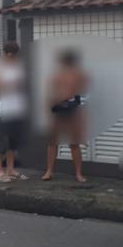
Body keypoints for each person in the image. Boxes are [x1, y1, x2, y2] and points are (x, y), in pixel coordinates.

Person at [42, 50, 89, 183]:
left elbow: (77, 92)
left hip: (72, 110)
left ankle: (78, 173)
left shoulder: (78, 75)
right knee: (52, 142)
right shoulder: (56, 76)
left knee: (74, 143)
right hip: (58, 110)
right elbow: (50, 93)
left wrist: (63, 98)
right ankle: (49, 170)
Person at [0, 42, 29, 183]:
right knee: (1, 143)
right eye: (9, 55)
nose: (11, 57)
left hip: (17, 109)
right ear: (5, 53)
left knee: (13, 142)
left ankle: (11, 169)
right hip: (2, 110)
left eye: (14, 55)